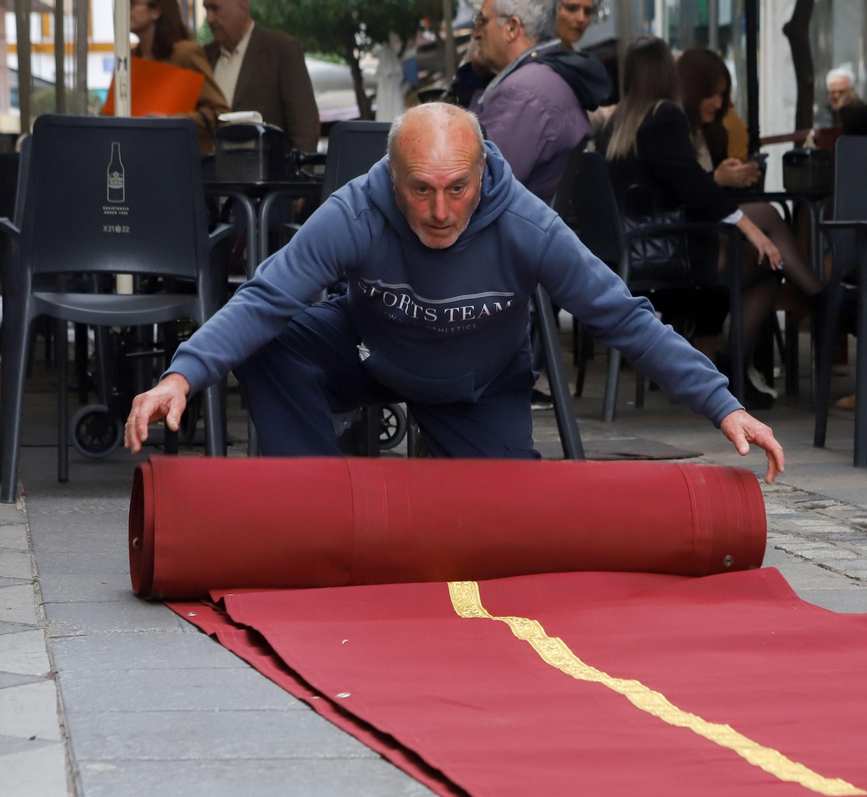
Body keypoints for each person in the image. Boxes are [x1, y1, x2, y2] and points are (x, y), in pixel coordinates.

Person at [123, 103, 784, 481]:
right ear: (391, 174)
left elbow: (622, 316)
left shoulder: (527, 223)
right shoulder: (355, 211)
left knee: (503, 536)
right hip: (369, 350)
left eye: (457, 189)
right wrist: (181, 377)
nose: (440, 210)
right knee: (272, 339)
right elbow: (266, 296)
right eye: (421, 190)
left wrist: (723, 405)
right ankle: (316, 500)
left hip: (476, 382)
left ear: (483, 170)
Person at [596, 40, 798, 395]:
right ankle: (737, 366)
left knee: (762, 244)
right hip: (669, 253)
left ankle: (732, 362)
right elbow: (693, 186)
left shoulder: (618, 124)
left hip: (630, 251)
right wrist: (749, 227)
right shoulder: (665, 115)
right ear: (668, 74)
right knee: (769, 262)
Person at [467, 0, 609, 202]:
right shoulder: (541, 79)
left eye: (482, 21)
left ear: (512, 28)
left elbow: (475, 190)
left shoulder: (523, 94)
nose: (476, 33)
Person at [202, 0, 320, 153]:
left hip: (267, 173)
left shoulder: (281, 50)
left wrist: (299, 173)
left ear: (243, 5)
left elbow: (305, 127)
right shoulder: (204, 57)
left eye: (215, 8)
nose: (209, 18)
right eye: (206, 9)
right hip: (210, 172)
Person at [126, 0, 229, 132]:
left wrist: (171, 121)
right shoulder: (129, 58)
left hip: (182, 149)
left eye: (132, 3)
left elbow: (220, 112)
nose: (126, 11)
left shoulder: (185, 53)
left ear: (155, 11)